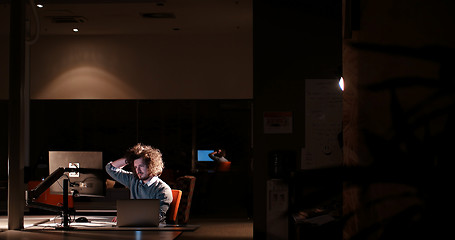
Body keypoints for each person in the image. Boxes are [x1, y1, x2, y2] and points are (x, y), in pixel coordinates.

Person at [105, 143, 173, 223]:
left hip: (154, 232)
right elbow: (110, 168)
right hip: (134, 227)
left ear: (152, 165)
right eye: (136, 167)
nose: (138, 170)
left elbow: (158, 217)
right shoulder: (133, 180)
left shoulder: (163, 189)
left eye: (141, 166)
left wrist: (128, 217)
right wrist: (129, 159)